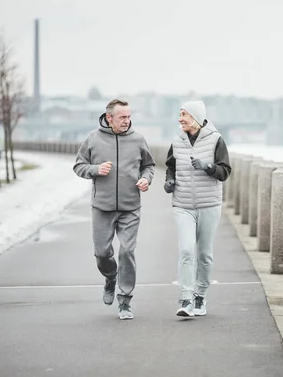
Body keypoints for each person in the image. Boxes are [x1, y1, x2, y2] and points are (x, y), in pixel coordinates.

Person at [73, 99, 155, 320]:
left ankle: (125, 300)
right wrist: (95, 169)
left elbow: (149, 165)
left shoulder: (138, 139)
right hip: (102, 207)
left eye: (129, 117)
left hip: (130, 207)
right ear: (109, 118)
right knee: (101, 253)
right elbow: (78, 166)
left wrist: (145, 180)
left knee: (127, 251)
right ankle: (110, 276)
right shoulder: (93, 138)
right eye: (122, 117)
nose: (127, 121)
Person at [163, 100, 231, 317]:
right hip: (182, 204)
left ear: (196, 117)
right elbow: (170, 167)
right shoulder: (177, 142)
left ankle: (200, 296)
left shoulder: (216, 140)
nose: (180, 118)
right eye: (179, 114)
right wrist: (170, 181)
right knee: (185, 250)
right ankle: (186, 298)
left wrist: (208, 166)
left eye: (184, 114)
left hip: (209, 203)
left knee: (204, 254)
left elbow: (225, 171)